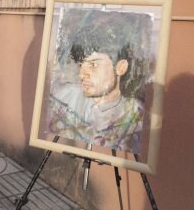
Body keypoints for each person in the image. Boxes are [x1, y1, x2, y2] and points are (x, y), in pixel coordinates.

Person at [48, 10, 152, 154]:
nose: (82, 74)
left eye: (93, 65)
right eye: (81, 65)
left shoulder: (136, 118)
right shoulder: (65, 97)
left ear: (121, 67)